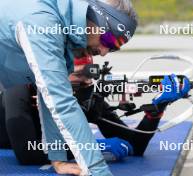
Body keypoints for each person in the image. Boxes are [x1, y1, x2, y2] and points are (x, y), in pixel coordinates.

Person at [0, 0, 138, 175]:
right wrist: (98, 171)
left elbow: (46, 93)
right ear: (95, 17)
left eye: (115, 47)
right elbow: (61, 102)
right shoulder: (43, 22)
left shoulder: (61, 24)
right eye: (109, 39)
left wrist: (58, 158)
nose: (104, 52)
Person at [0, 55, 191, 166]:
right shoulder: (18, 88)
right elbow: (27, 152)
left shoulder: (87, 96)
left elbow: (135, 145)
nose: (85, 83)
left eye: (89, 75)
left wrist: (157, 107)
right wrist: (95, 145)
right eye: (77, 75)